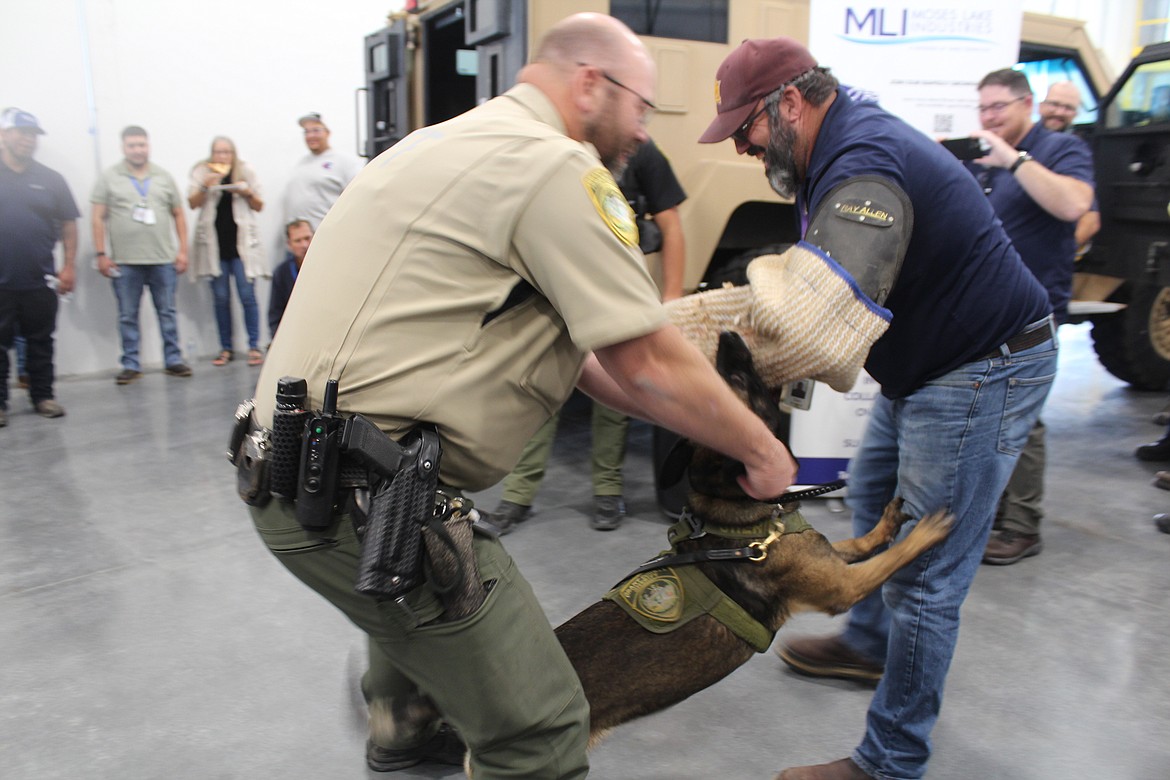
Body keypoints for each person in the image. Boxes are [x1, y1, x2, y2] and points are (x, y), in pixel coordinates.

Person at [242, 14, 796, 778]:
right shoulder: (556, 168)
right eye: (643, 107)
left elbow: (583, 357)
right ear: (590, 83)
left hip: (298, 468)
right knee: (543, 729)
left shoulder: (445, 142)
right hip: (354, 496)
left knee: (423, 598)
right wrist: (763, 452)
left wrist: (679, 410)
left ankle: (403, 732)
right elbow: (643, 359)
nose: (643, 131)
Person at [697, 38, 1058, 780]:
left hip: (980, 368)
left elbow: (818, 328)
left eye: (745, 128)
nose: (739, 146)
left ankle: (890, 762)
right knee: (869, 496)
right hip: (933, 367)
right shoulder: (831, 146)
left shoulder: (862, 162)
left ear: (790, 102)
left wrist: (699, 360)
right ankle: (866, 642)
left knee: (925, 578)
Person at [486, 138, 687, 533]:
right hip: (553, 285)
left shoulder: (638, 149)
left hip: (613, 287)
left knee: (616, 390)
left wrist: (673, 298)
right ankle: (517, 496)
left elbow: (670, 221)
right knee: (542, 385)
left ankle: (608, 491)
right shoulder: (550, 147)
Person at [968, 71, 1094, 566]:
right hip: (982, 307)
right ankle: (992, 515)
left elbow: (1075, 205)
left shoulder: (1059, 148)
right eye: (983, 108)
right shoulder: (982, 157)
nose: (990, 117)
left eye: (998, 106)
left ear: (1027, 103)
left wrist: (1015, 160)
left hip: (1033, 308)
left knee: (1023, 415)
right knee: (984, 413)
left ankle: (1022, 526)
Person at [91, 125, 191, 384]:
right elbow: (97, 217)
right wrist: (101, 253)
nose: (137, 150)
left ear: (148, 145)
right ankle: (131, 364)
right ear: (123, 148)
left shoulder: (163, 176)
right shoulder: (110, 177)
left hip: (162, 259)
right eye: (132, 145)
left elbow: (178, 214)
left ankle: (173, 360)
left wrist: (182, 251)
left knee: (167, 312)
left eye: (141, 144)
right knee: (127, 315)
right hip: (125, 262)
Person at [0, 108, 78, 426]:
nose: (28, 140)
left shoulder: (51, 179)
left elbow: (69, 224)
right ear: (4, 134)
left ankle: (43, 396)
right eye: (21, 132)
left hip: (40, 279)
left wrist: (69, 266)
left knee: (41, 341)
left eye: (32, 134)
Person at [187, 136, 266, 367]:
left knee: (247, 296)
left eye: (226, 152)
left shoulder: (245, 171)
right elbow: (192, 202)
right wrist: (206, 186)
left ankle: (253, 346)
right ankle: (226, 348)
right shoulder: (202, 171)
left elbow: (260, 205)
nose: (222, 157)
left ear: (234, 154)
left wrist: (246, 192)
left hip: (242, 248)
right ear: (211, 154)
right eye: (218, 152)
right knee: (220, 299)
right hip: (215, 249)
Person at [1037, 81, 1101, 254]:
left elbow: (1091, 219)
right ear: (1040, 106)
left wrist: (1059, 256)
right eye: (1054, 104)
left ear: (1075, 114)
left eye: (1068, 108)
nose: (1059, 112)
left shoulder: (1074, 154)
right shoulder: (1017, 143)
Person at [282, 112, 362, 229]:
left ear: (327, 132)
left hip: (327, 235)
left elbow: (358, 198)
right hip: (301, 240)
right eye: (307, 132)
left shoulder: (344, 162)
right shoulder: (301, 164)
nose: (310, 136)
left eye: (316, 130)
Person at [266, 218, 312, 338]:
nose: (304, 245)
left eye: (307, 238)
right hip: (294, 335)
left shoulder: (328, 267)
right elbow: (276, 314)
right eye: (298, 241)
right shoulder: (281, 273)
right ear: (289, 244)